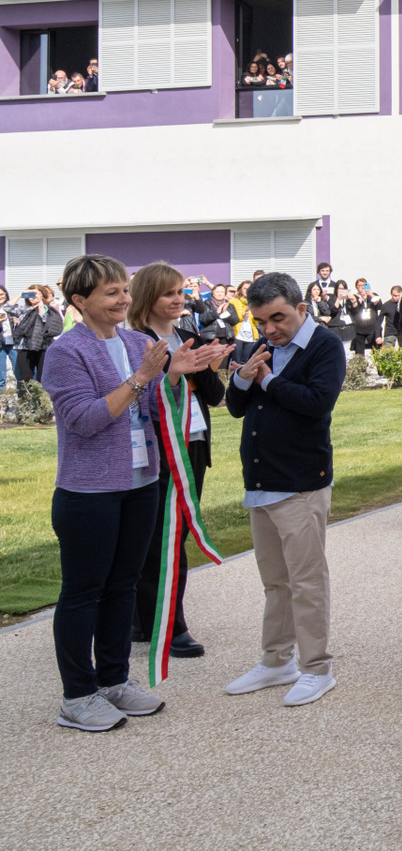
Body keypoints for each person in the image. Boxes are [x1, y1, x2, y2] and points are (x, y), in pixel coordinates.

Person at [44, 256, 222, 731]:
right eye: (111, 293)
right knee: (84, 592)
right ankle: (77, 696)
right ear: (80, 301)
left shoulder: (139, 342)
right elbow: (84, 420)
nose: (124, 299)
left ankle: (114, 680)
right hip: (89, 492)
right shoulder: (66, 352)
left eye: (124, 290)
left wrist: (176, 374)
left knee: (123, 586)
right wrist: (145, 377)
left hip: (142, 483)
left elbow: (156, 409)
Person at [221, 272, 348, 708]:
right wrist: (243, 378)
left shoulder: (324, 345)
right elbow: (236, 407)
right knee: (275, 582)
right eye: (261, 321)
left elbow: (318, 403)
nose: (270, 329)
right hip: (261, 482)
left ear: (300, 307)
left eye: (277, 318)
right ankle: (276, 660)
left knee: (306, 581)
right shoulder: (261, 347)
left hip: (300, 483)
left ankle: (317, 667)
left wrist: (267, 380)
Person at [127, 262, 230, 662]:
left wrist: (209, 367)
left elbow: (215, 395)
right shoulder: (136, 340)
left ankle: (146, 620)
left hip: (193, 442)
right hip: (157, 447)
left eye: (181, 293)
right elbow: (142, 394)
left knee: (174, 533)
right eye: (169, 293)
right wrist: (175, 369)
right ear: (149, 296)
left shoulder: (188, 334)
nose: (178, 300)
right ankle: (168, 625)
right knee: (159, 537)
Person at [15, 284, 61, 383]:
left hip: (43, 347)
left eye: (36, 293)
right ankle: (25, 398)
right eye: (31, 294)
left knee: (43, 377)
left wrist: (40, 303)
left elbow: (45, 320)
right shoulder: (23, 310)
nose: (33, 296)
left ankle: (42, 398)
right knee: (25, 378)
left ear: (43, 295)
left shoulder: (49, 310)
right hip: (24, 347)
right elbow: (7, 308)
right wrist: (21, 294)